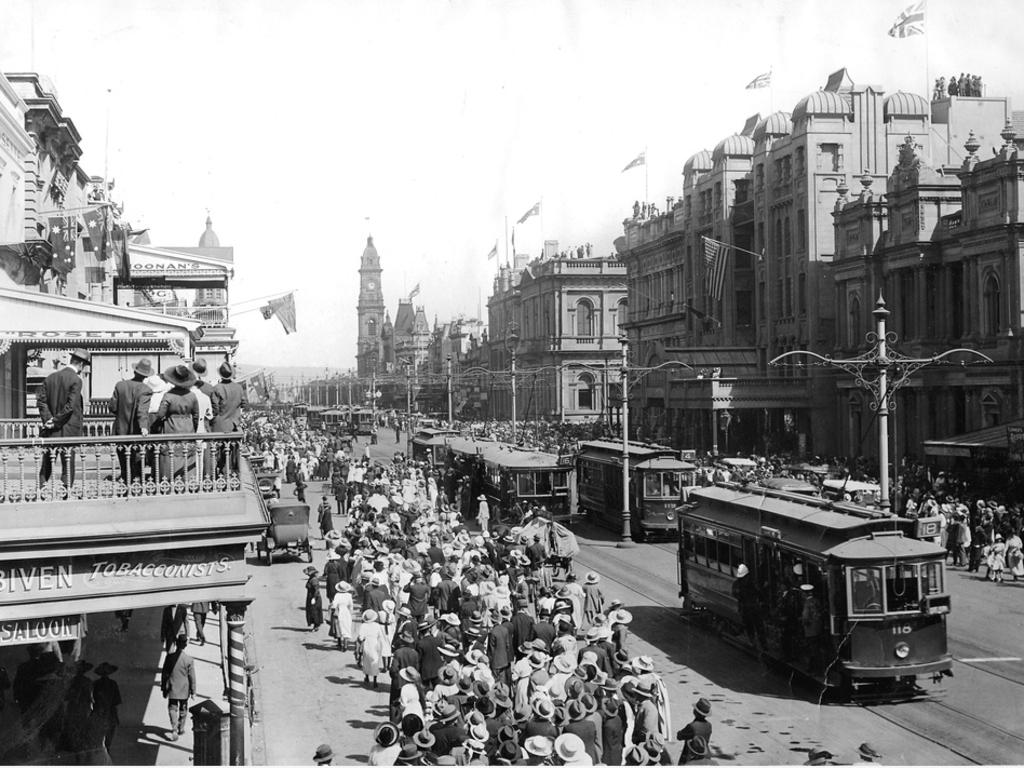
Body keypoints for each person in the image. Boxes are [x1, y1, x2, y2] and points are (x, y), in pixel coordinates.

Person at [38, 348, 89, 487]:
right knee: (68, 462)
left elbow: (41, 401)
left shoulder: (50, 378)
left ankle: (41, 489)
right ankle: (66, 492)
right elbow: (70, 406)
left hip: (50, 430)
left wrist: (49, 420)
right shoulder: (76, 380)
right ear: (81, 365)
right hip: (68, 429)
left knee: (47, 461)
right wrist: (55, 421)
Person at [109, 358, 153, 484]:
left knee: (123, 462)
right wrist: (144, 426)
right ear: (146, 376)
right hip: (136, 432)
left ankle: (125, 483)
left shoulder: (120, 385)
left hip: (120, 430)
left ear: (135, 372)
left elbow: (112, 407)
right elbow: (142, 411)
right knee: (136, 463)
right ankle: (134, 487)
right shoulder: (146, 389)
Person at [211, 362, 248, 473]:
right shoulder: (239, 388)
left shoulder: (217, 388)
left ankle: (220, 473)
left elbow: (215, 409)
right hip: (234, 425)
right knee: (232, 452)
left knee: (217, 452)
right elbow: (244, 404)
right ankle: (231, 473)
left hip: (219, 425)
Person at [160, 635, 195, 741]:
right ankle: (181, 728)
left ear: (177, 643)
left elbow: (164, 674)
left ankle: (174, 728)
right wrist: (193, 690)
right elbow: (192, 677)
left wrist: (163, 687)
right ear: (185, 645)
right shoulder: (189, 660)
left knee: (172, 708)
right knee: (183, 709)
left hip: (172, 687)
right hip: (184, 689)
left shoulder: (169, 657)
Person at [91, 662, 121, 753]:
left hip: (98, 713)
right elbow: (116, 701)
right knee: (109, 738)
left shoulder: (95, 684)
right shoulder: (113, 684)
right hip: (110, 714)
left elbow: (92, 699)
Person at [358, 609, 390, 689]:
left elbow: (361, 637)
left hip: (367, 644)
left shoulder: (363, 626)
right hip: (375, 643)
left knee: (366, 660)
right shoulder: (377, 625)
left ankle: (367, 677)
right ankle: (375, 680)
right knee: (375, 661)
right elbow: (380, 636)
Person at [676, 697, 712, 762]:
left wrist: (679, 733)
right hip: (705, 755)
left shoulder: (692, 726)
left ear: (696, 712)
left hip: (692, 757)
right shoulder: (709, 725)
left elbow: (679, 736)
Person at [331, 582, 355, 651]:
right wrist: (351, 613)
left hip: (339, 612)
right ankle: (345, 645)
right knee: (346, 628)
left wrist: (332, 609)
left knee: (338, 628)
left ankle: (339, 643)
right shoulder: (349, 595)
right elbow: (351, 605)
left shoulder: (337, 595)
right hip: (346, 612)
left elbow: (334, 605)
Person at [305, 566, 324, 631]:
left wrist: (314, 598)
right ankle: (316, 625)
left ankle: (316, 625)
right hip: (311, 596)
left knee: (314, 612)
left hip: (314, 597)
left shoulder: (314, 580)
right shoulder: (311, 578)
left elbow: (316, 590)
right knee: (312, 611)